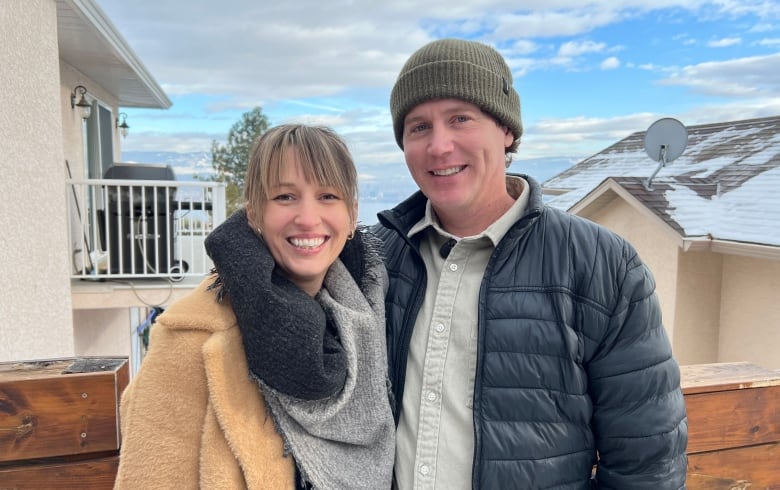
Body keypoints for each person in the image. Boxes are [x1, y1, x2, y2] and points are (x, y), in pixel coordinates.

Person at [372, 38, 688, 489]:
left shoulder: (602, 265)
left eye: (461, 118)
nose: (439, 146)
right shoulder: (378, 258)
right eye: (418, 127)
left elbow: (647, 464)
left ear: (506, 130)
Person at [114, 124, 395, 489]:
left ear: (352, 213)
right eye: (284, 197)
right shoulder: (190, 339)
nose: (308, 217)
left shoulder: (371, 315)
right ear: (254, 212)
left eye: (328, 196)